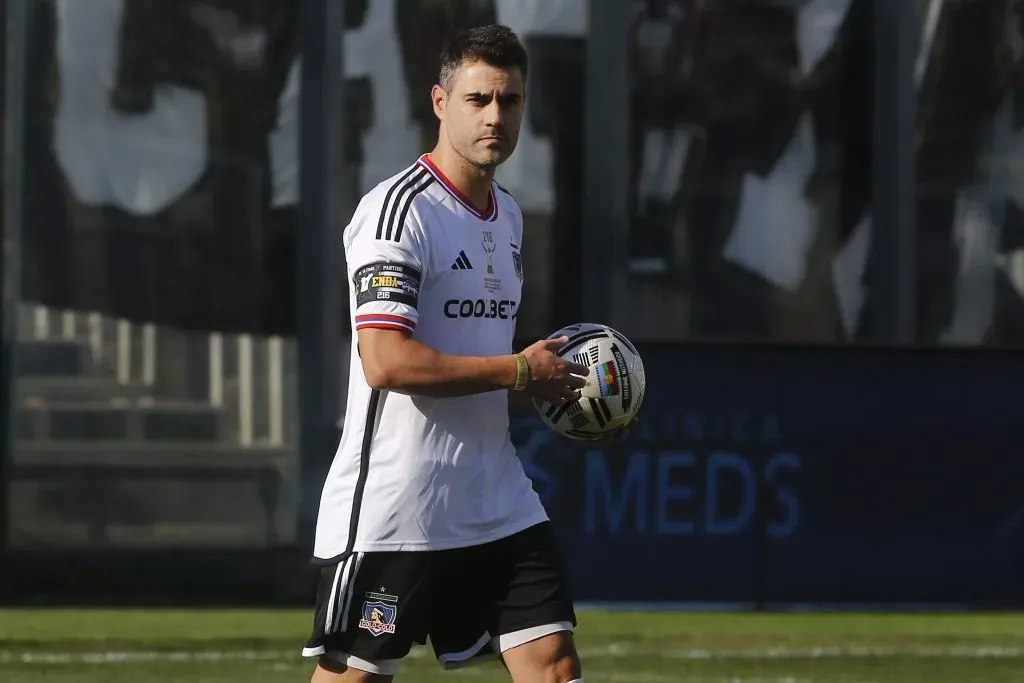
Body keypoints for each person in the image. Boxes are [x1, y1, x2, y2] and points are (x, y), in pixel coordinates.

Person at [302, 25, 590, 683]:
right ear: (439, 102)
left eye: (510, 101)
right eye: (478, 99)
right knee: (355, 677)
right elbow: (387, 362)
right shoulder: (397, 212)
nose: (495, 116)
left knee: (553, 664)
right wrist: (520, 368)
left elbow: (476, 356)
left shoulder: (508, 217)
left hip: (495, 494)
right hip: (402, 503)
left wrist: (550, 382)